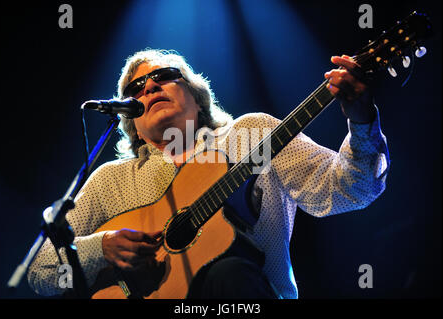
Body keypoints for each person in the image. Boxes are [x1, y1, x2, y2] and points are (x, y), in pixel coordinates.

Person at [27, 49, 389, 299]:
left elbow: (350, 189)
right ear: (131, 121)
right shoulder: (110, 181)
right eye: (136, 89)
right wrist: (99, 248)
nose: (149, 87)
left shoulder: (250, 136)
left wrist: (361, 121)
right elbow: (40, 270)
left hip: (242, 295)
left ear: (197, 97)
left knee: (228, 273)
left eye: (163, 76)